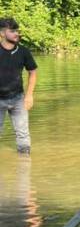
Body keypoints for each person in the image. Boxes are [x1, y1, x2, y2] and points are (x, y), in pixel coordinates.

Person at [0, 17, 37, 154]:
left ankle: (25, 166)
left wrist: (29, 96)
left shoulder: (23, 51)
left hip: (18, 99)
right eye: (13, 31)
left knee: (23, 136)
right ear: (2, 33)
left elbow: (32, 72)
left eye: (17, 30)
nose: (17, 33)